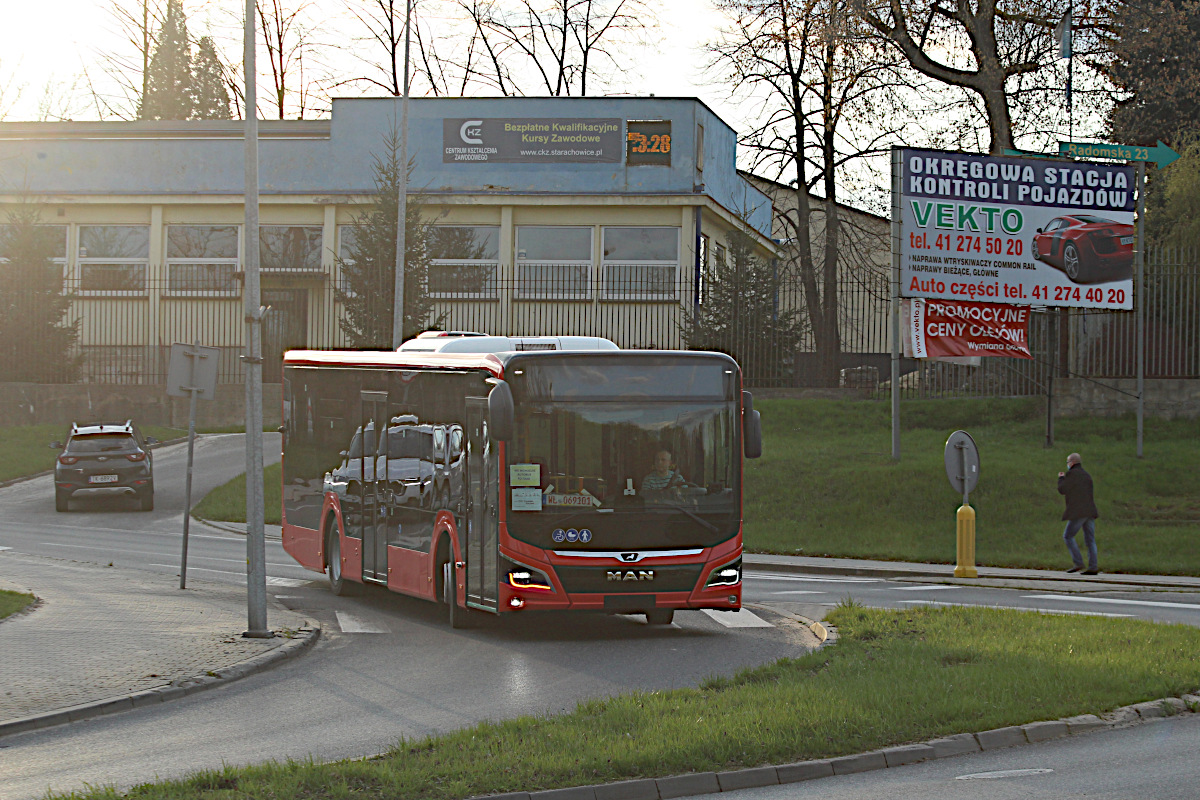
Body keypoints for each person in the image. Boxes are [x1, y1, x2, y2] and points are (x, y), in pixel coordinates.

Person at [1058, 452, 1099, 575]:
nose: (1067, 464)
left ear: (1072, 462)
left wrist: (1061, 478)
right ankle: (1093, 567)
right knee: (1090, 540)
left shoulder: (1071, 474)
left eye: (1068, 462)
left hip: (1078, 511)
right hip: (1090, 511)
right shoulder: (1086, 475)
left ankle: (1078, 562)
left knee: (1068, 536)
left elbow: (1063, 489)